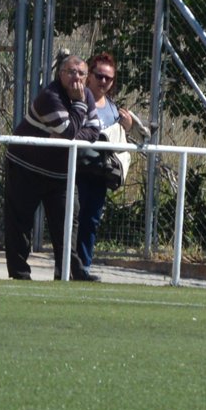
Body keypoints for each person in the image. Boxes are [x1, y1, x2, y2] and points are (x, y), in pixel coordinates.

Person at [4, 52, 100, 281]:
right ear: (60, 74)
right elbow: (68, 131)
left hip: (60, 172)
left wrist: (72, 132)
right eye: (70, 72)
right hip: (26, 166)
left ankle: (68, 270)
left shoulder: (86, 95)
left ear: (87, 78)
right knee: (20, 223)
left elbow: (94, 130)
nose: (76, 78)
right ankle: (19, 274)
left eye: (81, 73)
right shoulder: (51, 96)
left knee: (68, 222)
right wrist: (77, 109)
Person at [76, 52, 136, 281]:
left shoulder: (113, 109)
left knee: (91, 221)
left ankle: (83, 268)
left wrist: (127, 128)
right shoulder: (77, 100)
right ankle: (65, 267)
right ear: (89, 75)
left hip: (99, 173)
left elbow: (118, 142)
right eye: (99, 76)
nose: (103, 82)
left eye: (108, 79)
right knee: (72, 218)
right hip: (76, 169)